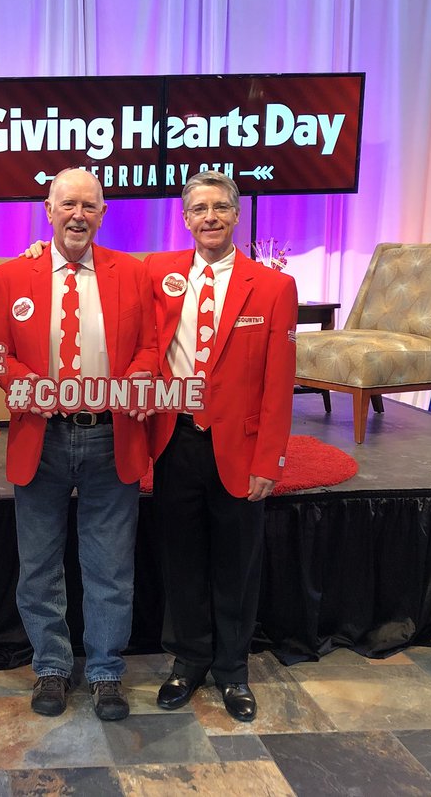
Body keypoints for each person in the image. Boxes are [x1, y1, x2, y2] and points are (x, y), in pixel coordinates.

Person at [0, 169, 157, 721]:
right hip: (43, 437)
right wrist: (21, 384)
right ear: (49, 208)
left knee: (109, 565)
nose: (78, 214)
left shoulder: (131, 273)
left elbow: (152, 347)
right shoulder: (13, 275)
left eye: (89, 205)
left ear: (103, 213)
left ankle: (107, 672)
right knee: (39, 564)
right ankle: (52, 667)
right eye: (68, 204)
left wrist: (137, 377)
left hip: (112, 435)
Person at [145, 170, 297, 723]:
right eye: (198, 209)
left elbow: (280, 383)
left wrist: (270, 460)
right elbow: (99, 271)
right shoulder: (157, 274)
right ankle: (188, 661)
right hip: (174, 440)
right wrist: (43, 246)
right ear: (184, 219)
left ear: (236, 215)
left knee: (236, 563)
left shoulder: (273, 286)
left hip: (240, 447)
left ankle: (233, 671)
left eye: (220, 208)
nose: (209, 217)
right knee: (180, 560)